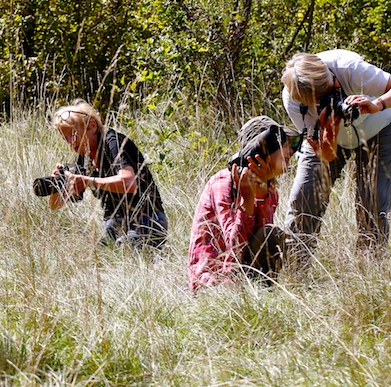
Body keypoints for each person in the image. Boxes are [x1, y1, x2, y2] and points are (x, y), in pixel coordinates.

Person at [281, 49, 391, 260]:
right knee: (304, 198)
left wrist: (376, 105)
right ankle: (295, 270)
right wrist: (330, 131)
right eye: (321, 99)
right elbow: (324, 155)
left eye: (332, 88)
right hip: (329, 136)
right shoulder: (294, 102)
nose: (333, 96)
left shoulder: (349, 68)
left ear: (331, 74)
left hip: (380, 126)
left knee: (372, 198)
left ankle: (369, 269)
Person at [187, 116, 302, 291]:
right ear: (262, 152)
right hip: (211, 283)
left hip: (241, 278)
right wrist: (247, 200)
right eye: (283, 145)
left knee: (274, 236)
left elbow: (261, 243)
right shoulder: (223, 183)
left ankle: (260, 296)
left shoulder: (270, 190)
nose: (290, 151)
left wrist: (261, 194)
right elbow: (234, 250)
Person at [47, 100, 168, 249]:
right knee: (97, 258)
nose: (71, 142)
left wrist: (88, 181)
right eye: (66, 138)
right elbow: (56, 205)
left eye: (74, 134)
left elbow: (129, 182)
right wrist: (55, 183)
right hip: (114, 224)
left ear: (92, 126)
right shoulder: (84, 155)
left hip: (146, 218)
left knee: (127, 250)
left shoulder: (112, 142)